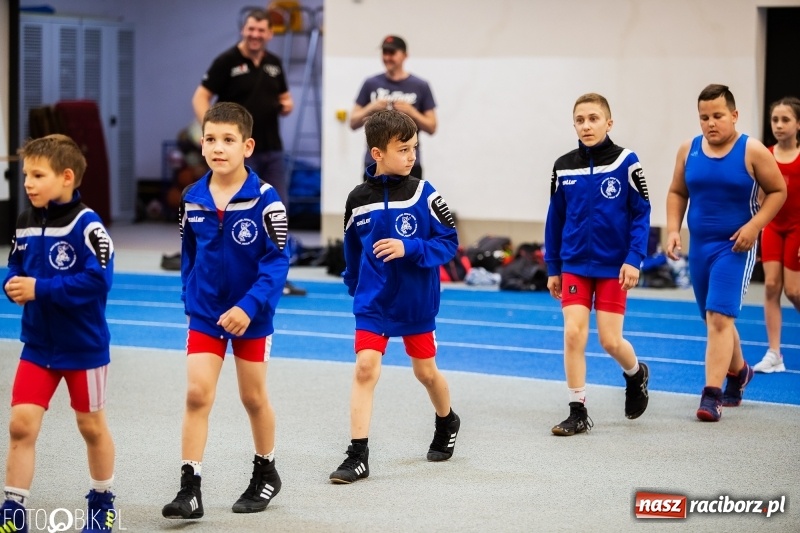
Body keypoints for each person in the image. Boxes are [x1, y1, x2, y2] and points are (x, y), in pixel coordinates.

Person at [162, 102, 290, 518]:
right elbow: (188, 254)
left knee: (252, 397)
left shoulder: (267, 202)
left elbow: (277, 265)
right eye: (211, 140)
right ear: (202, 145)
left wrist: (249, 307)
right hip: (205, 314)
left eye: (228, 140)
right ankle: (189, 487)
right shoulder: (192, 198)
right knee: (197, 394)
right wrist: (190, 298)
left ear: (247, 146)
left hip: (251, 317)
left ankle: (266, 471)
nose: (219, 148)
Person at [329, 109, 459, 484]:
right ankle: (357, 456)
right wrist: (355, 286)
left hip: (416, 304)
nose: (411, 156)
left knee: (426, 372)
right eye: (403, 149)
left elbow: (448, 242)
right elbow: (352, 252)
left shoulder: (425, 193)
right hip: (373, 305)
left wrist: (411, 248)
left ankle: (447, 419)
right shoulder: (357, 200)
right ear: (377, 153)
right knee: (366, 368)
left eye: (414, 148)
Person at [1, 134, 117, 532]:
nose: (28, 183)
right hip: (37, 346)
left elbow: (98, 281)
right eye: (25, 176)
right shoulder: (24, 222)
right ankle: (13, 512)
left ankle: (103, 503)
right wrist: (13, 284)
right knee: (21, 425)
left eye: (37, 175)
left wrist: (41, 289)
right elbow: (17, 265)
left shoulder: (88, 226)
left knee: (91, 426)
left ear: (66, 177)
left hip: (83, 348)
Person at [665, 84, 786, 422]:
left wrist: (754, 227)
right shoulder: (688, 150)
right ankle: (740, 370)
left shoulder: (753, 150)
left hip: (735, 246)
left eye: (718, 116)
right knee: (712, 317)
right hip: (700, 247)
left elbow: (779, 190)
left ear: (734, 115)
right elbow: (677, 191)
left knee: (720, 317)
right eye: (704, 117)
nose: (711, 123)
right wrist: (674, 229)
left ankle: (711, 395)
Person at [545, 93, 651, 436]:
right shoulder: (563, 166)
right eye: (580, 119)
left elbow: (641, 214)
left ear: (609, 122)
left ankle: (636, 374)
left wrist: (634, 258)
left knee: (610, 340)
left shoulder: (625, 161)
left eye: (593, 118)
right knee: (573, 333)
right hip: (575, 263)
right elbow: (555, 219)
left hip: (613, 266)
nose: (586, 125)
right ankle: (578, 410)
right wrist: (553, 267)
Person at [191, 7, 305, 296]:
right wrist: (212, 135)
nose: (255, 35)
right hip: (239, 152)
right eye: (251, 29)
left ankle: (278, 275)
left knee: (277, 211)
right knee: (236, 212)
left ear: (269, 33)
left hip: (272, 149)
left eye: (261, 30)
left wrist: (287, 104)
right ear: (244, 29)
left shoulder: (275, 64)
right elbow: (200, 96)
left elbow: (284, 97)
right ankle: (232, 274)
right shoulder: (226, 61)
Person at [350, 35, 437, 180]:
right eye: (385, 53)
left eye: (392, 53)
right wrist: (370, 108)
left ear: (405, 55)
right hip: (375, 163)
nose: (387, 57)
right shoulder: (370, 83)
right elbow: (352, 122)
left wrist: (412, 112)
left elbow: (432, 127)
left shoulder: (420, 85)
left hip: (409, 164)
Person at [755, 96, 800, 373]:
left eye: (785, 120)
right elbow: (760, 197)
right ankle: (775, 354)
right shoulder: (765, 155)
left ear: (798, 124)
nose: (779, 125)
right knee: (772, 286)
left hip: (797, 227)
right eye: (775, 120)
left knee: (794, 290)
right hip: (772, 225)